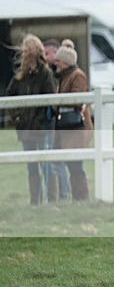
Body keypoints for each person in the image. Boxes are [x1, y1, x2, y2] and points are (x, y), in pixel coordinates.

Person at [2, 34, 58, 205]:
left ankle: (52, 199)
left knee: (46, 165)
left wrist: (41, 119)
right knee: (31, 167)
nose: (23, 53)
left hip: (41, 128)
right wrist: (17, 116)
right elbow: (9, 96)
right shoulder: (20, 77)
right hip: (25, 128)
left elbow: (52, 100)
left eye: (26, 50)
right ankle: (35, 200)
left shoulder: (45, 74)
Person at [53, 40, 92, 200]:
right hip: (68, 127)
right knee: (72, 165)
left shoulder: (77, 76)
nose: (56, 63)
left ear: (66, 62)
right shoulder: (65, 76)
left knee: (76, 166)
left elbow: (77, 100)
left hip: (76, 127)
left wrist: (57, 101)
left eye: (58, 60)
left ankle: (81, 197)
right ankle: (77, 197)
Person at [42, 37, 68, 200]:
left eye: (46, 53)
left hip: (55, 123)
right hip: (52, 122)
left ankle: (62, 194)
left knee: (57, 161)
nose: (44, 57)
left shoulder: (54, 74)